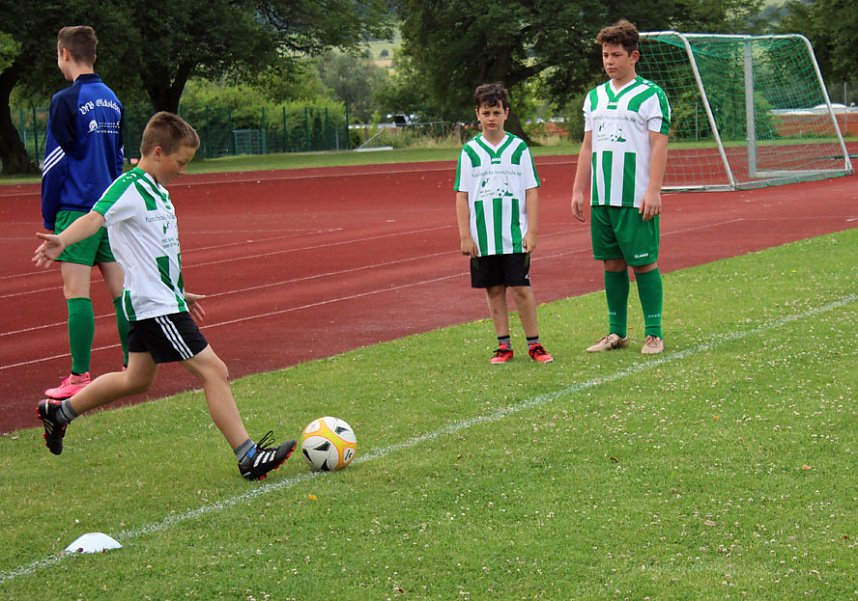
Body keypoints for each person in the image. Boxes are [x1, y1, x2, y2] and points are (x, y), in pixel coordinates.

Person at [34, 112, 297, 481]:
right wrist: (62, 240)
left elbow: (157, 252)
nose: (183, 170)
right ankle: (248, 456)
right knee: (215, 372)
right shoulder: (128, 187)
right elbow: (95, 218)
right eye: (181, 162)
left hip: (161, 300)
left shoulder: (160, 193)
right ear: (157, 152)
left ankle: (58, 413)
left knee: (136, 380)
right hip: (154, 308)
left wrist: (178, 291)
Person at [570, 19, 670, 355]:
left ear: (634, 56)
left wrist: (653, 190)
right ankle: (616, 333)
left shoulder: (651, 95)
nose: (609, 61)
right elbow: (588, 146)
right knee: (611, 264)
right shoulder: (595, 97)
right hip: (603, 196)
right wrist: (578, 190)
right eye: (605, 55)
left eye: (615, 55)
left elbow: (659, 144)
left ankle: (654, 333)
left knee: (643, 263)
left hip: (635, 196)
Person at [41, 25, 129, 400]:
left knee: (76, 292)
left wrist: (51, 221)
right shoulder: (113, 99)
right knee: (121, 292)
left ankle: (79, 376)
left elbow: (55, 164)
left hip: (75, 210)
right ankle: (134, 364)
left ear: (64, 53)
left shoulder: (65, 100)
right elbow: (119, 158)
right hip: (111, 209)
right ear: (94, 54)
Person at [455, 83, 553, 365]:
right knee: (494, 289)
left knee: (521, 288)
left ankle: (534, 344)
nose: (491, 118)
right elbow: (462, 195)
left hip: (514, 234)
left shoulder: (519, 148)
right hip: (482, 237)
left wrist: (532, 230)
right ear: (477, 114)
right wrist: (465, 236)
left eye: (496, 112)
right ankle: (503, 345)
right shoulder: (470, 151)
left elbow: (531, 190)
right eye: (486, 113)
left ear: (506, 113)